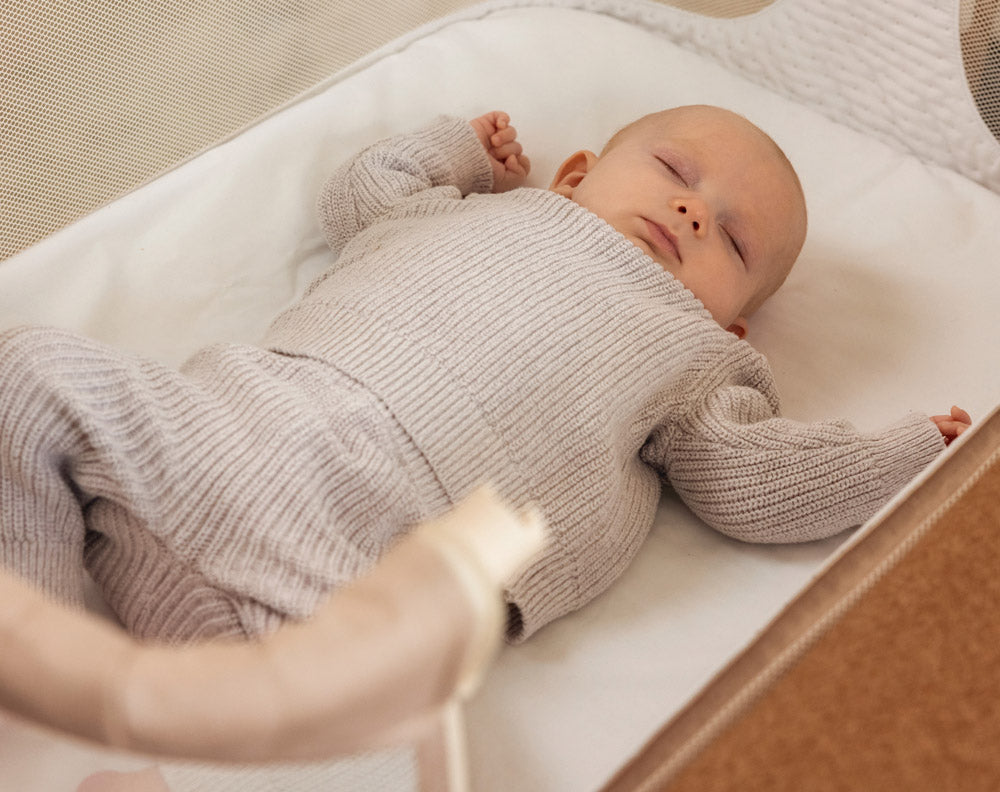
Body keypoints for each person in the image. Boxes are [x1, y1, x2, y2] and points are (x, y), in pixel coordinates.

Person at [0, 105, 970, 643]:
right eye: (674, 173)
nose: (689, 215)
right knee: (28, 368)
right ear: (573, 173)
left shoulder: (694, 352)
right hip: (218, 432)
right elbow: (363, 193)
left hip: (366, 569)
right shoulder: (466, 213)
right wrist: (464, 150)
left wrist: (905, 456)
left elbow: (748, 482)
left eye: (730, 236)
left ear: (734, 317)